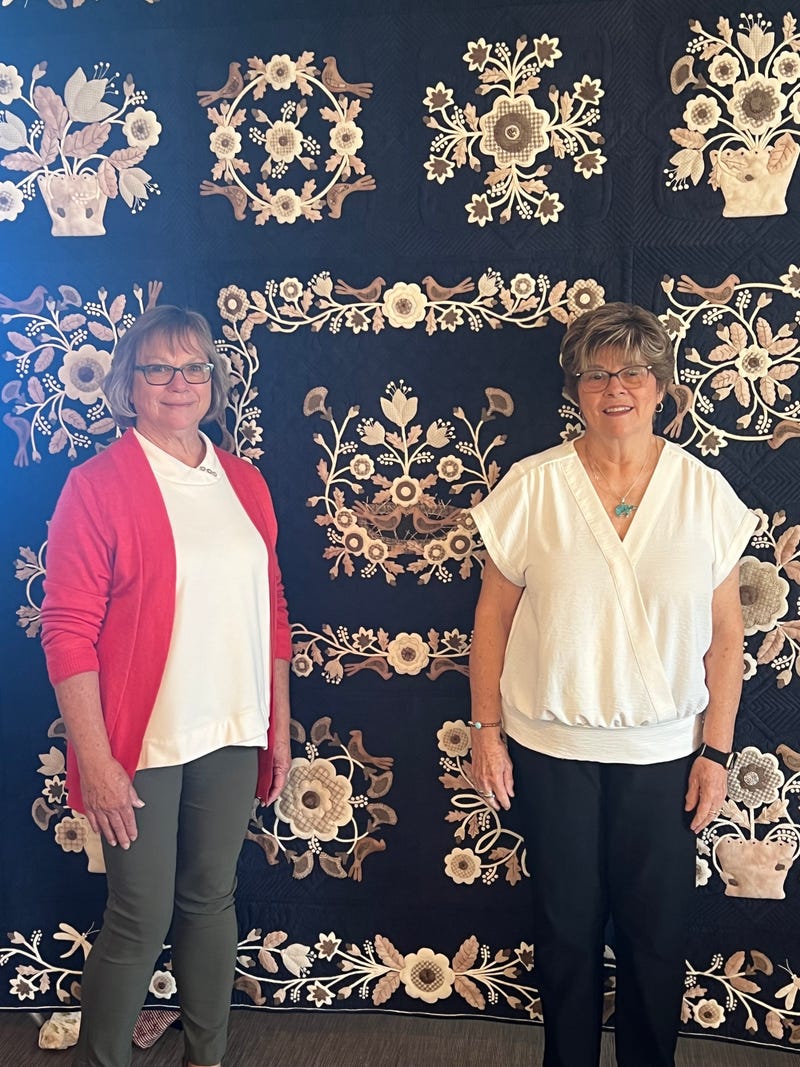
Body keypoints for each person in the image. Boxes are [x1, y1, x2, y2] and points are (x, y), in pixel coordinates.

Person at [468, 302, 756, 1067]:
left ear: (661, 385)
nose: (615, 388)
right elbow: (492, 618)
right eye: (596, 374)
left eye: (632, 371)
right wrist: (486, 730)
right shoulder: (532, 487)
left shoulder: (705, 495)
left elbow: (728, 637)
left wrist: (717, 752)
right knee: (564, 933)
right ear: (575, 390)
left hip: (666, 755)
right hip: (552, 749)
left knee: (654, 939)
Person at [40, 306, 292, 1067]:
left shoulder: (244, 482)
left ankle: (205, 1058)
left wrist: (277, 727)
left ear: (214, 380)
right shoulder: (97, 485)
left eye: (193, 367)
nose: (177, 383)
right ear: (129, 384)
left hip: (232, 727)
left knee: (211, 899)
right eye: (157, 368)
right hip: (142, 741)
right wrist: (97, 760)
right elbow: (67, 632)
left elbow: (273, 609)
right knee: (140, 916)